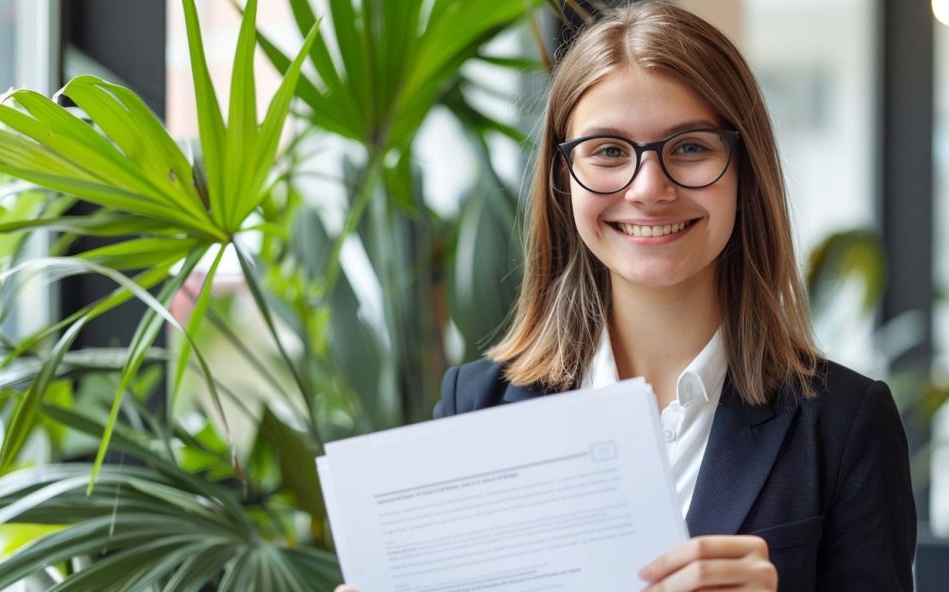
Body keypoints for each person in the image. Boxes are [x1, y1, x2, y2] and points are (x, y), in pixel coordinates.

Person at [338, 2, 916, 591]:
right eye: (608, 151)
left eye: (690, 147)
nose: (649, 189)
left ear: (746, 171)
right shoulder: (476, 406)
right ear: (563, 182)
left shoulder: (844, 426)